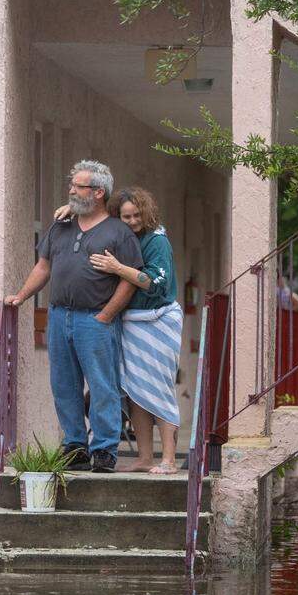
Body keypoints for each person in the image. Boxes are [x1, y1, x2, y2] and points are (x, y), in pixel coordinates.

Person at [5, 161, 143, 473]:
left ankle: (105, 448)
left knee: (102, 384)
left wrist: (107, 314)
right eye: (72, 185)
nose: (70, 190)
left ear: (97, 192)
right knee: (63, 384)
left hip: (95, 319)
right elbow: (44, 266)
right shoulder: (61, 225)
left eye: (77, 186)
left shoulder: (118, 232)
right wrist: (21, 296)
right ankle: (75, 444)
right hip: (58, 316)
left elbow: (130, 279)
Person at [85, 187, 183, 474]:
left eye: (136, 215)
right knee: (136, 391)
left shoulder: (157, 241)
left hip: (158, 321)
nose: (131, 221)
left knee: (160, 388)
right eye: (125, 216)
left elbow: (156, 284)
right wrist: (69, 211)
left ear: (146, 212)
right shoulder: (124, 238)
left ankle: (168, 458)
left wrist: (117, 267)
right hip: (130, 322)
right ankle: (144, 458)